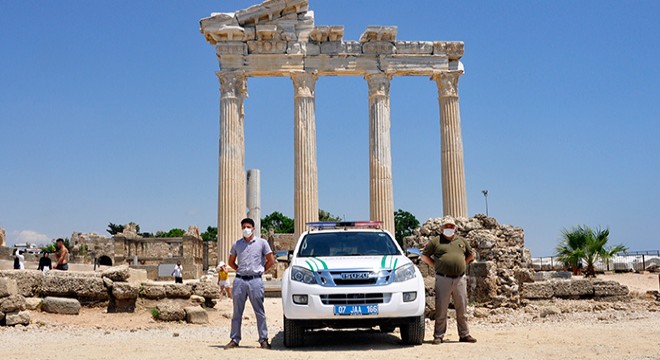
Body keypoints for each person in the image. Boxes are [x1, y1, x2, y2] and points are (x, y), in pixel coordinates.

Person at [421, 217, 477, 344]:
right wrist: (436, 265)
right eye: (446, 226)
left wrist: (463, 263)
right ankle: (438, 335)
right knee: (441, 308)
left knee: (462, 307)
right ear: (441, 228)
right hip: (443, 278)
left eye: (451, 226)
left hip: (460, 278)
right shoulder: (435, 241)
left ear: (455, 228)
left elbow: (471, 255)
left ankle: (464, 334)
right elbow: (424, 256)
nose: (449, 229)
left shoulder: (462, 241)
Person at [224, 218, 275, 350]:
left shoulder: (262, 243)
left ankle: (263, 339)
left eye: (248, 226)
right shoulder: (237, 244)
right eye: (243, 227)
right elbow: (230, 261)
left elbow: (271, 260)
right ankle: (234, 339)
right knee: (237, 312)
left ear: (253, 228)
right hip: (240, 280)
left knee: (259, 312)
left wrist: (261, 270)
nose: (245, 229)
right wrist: (239, 270)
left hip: (255, 280)